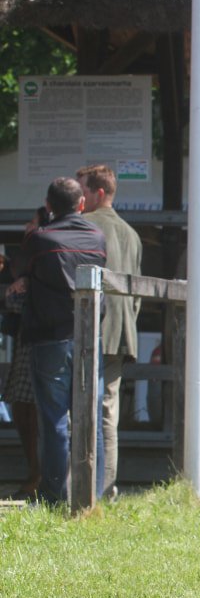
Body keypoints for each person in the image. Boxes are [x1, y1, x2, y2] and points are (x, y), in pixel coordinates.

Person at [9, 177, 108, 504]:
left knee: (54, 420)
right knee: (90, 416)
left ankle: (54, 494)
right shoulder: (97, 237)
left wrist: (21, 277)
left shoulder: (40, 239)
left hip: (49, 339)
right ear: (82, 204)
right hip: (88, 338)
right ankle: (93, 493)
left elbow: (18, 269)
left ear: (49, 206)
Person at [77, 164, 142, 500]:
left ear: (98, 193)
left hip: (90, 329)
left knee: (80, 409)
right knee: (108, 413)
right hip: (122, 334)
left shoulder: (84, 226)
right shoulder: (132, 234)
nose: (79, 197)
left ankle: (82, 485)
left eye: (82, 190)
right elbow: (137, 294)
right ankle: (106, 487)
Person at [0, 243, 39, 498]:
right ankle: (35, 471)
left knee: (31, 415)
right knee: (21, 411)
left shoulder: (34, 278)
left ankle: (38, 473)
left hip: (34, 348)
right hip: (25, 349)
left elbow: (15, 301)